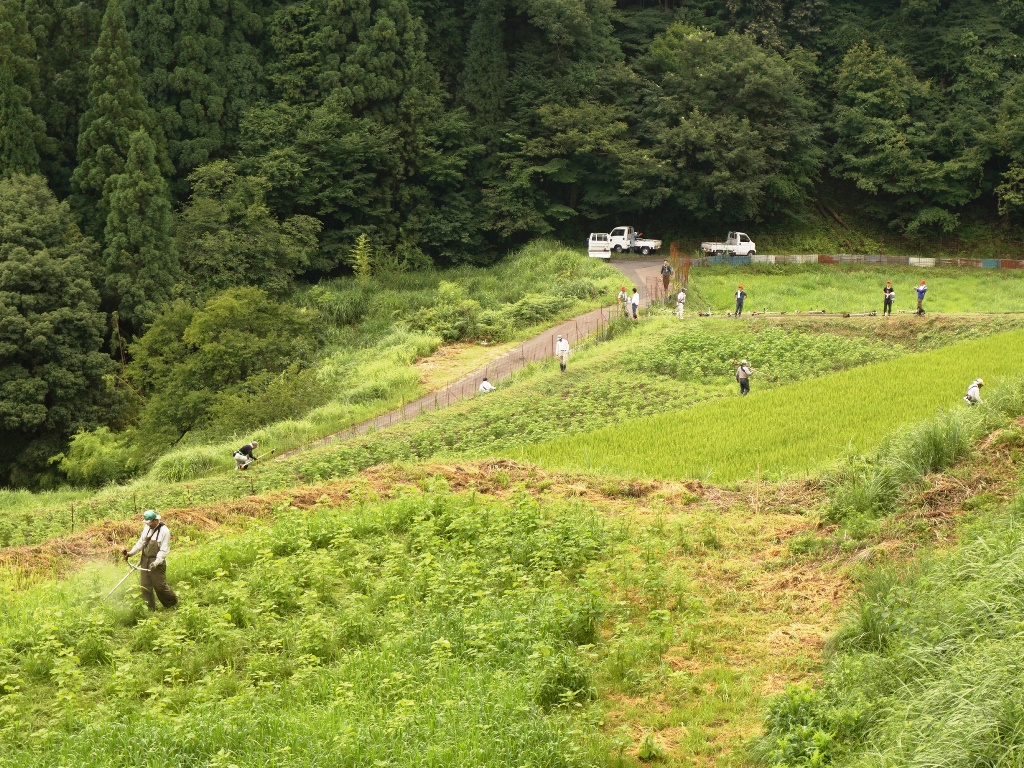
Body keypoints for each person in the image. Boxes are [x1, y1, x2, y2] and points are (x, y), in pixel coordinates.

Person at [122, 510, 178, 610]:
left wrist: (156, 563)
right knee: (145, 586)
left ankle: (172, 604)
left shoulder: (164, 531)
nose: (149, 525)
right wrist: (130, 553)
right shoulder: (147, 528)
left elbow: (164, 550)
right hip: (145, 559)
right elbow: (141, 543)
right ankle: (149, 608)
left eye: (150, 522)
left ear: (156, 520)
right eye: (147, 523)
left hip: (157, 561)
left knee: (160, 586)